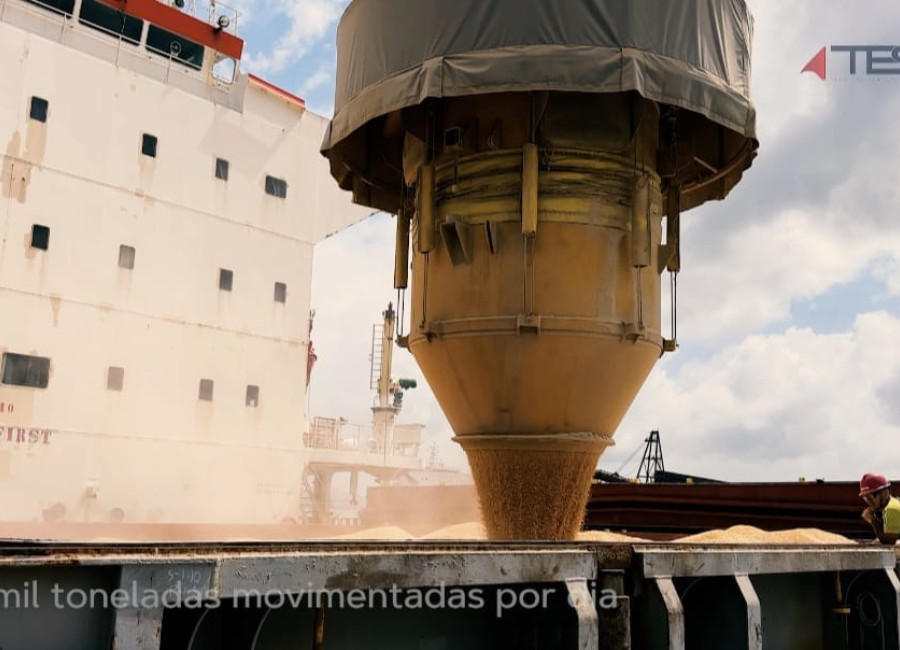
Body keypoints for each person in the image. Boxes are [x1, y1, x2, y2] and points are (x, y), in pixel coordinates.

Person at [859, 473, 900, 545]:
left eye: (871, 496)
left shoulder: (891, 509)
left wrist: (872, 519)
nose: (869, 501)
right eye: (865, 498)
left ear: (885, 493)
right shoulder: (890, 505)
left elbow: (888, 543)